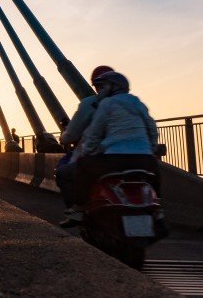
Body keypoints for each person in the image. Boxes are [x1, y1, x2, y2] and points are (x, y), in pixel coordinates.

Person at [63, 70, 159, 225]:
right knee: (153, 175)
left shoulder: (107, 104)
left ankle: (80, 207)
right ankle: (157, 208)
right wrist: (151, 147)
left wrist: (88, 151)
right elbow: (152, 128)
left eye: (103, 86)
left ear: (113, 87)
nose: (100, 90)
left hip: (115, 159)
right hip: (144, 159)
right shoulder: (138, 103)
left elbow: (95, 132)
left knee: (83, 166)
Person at [55, 65, 114, 226]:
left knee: (62, 173)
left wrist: (65, 137)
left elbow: (72, 135)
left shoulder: (91, 104)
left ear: (95, 85)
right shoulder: (132, 103)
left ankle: (77, 212)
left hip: (100, 159)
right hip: (132, 157)